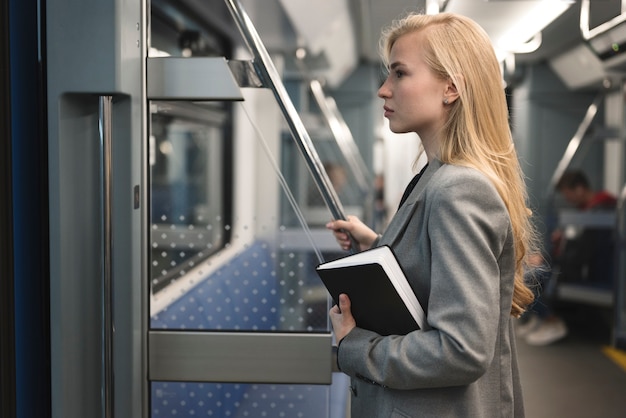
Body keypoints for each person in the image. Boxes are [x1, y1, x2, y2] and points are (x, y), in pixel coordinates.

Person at [325, 12, 538, 417]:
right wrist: (377, 245)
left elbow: (461, 350)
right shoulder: (437, 177)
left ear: (451, 87)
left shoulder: (458, 189)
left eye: (400, 74)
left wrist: (356, 346)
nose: (383, 90)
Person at [520, 169, 617, 346]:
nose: (567, 199)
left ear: (579, 189)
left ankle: (551, 320)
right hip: (577, 263)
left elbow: (583, 252)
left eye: (568, 194)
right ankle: (540, 318)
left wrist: (549, 259)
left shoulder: (600, 210)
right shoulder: (586, 212)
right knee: (530, 272)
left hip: (585, 270)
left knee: (536, 275)